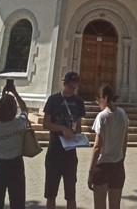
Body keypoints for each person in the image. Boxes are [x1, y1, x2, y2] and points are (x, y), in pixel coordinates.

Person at [42, 71, 87, 209]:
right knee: (51, 193)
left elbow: (78, 126)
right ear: (65, 83)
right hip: (55, 151)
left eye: (76, 84)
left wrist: (78, 136)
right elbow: (45, 124)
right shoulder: (53, 100)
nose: (74, 87)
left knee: (71, 193)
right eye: (71, 84)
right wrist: (62, 129)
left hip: (70, 153)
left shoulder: (79, 102)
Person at [87, 84, 129, 209]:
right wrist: (121, 158)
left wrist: (90, 172)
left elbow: (97, 147)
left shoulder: (102, 116)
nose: (97, 103)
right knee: (115, 206)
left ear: (104, 98)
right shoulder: (122, 114)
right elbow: (125, 141)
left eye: (98, 100)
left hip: (103, 167)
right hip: (118, 166)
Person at [0, 81, 29, 209]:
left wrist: (3, 95)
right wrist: (15, 93)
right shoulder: (19, 123)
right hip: (16, 164)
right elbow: (25, 109)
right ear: (13, 109)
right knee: (18, 201)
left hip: (0, 165)